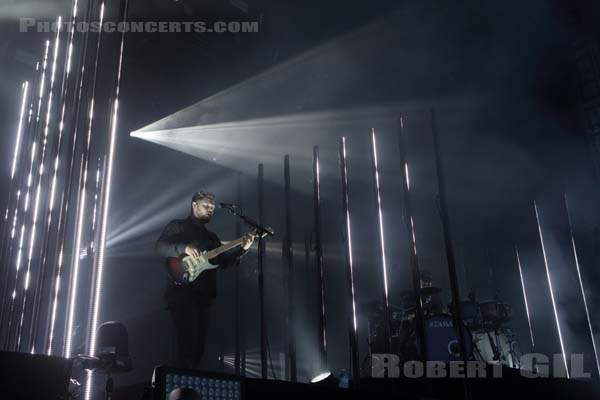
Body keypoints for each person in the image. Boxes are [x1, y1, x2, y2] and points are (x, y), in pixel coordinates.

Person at [155, 191, 255, 369]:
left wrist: (242, 249)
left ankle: (189, 387)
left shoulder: (212, 238)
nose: (210, 210)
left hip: (204, 298)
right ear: (194, 205)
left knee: (199, 349)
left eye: (212, 208)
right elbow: (160, 247)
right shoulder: (177, 226)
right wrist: (184, 247)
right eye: (206, 206)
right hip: (181, 294)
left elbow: (223, 263)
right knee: (187, 345)